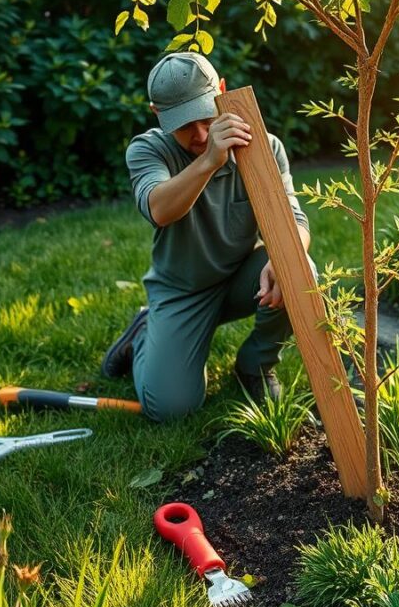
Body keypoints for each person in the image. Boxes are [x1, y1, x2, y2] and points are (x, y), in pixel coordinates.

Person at [101, 52, 312, 421]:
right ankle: (143, 335)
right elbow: (160, 209)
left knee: (299, 264)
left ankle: (256, 364)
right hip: (183, 290)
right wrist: (210, 160)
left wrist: (282, 258)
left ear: (223, 92)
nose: (199, 135)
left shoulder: (265, 147)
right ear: (157, 114)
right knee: (171, 408)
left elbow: (296, 221)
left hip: (242, 279)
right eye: (183, 126)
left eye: (204, 118)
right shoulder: (147, 149)